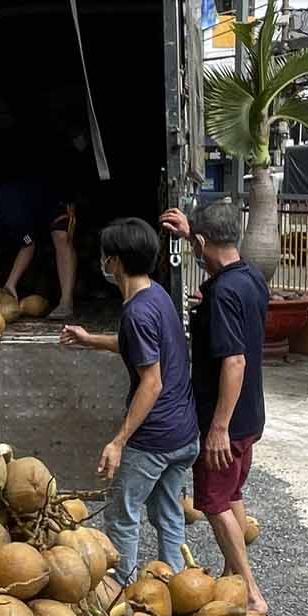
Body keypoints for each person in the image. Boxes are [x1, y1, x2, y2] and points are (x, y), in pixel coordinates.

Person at [60, 217, 197, 583]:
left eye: (106, 256)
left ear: (116, 262)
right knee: (168, 512)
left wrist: (119, 441)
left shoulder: (136, 312)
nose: (103, 262)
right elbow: (139, 346)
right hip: (183, 434)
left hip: (153, 439)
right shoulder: (157, 295)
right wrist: (90, 339)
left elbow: (151, 383)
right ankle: (177, 586)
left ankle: (121, 591)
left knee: (122, 516)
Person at [162, 200, 268, 613]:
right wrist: (192, 234)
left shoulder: (223, 293)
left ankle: (252, 593)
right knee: (232, 494)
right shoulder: (250, 277)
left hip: (227, 421)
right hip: (251, 415)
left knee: (214, 503)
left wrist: (218, 428)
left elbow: (234, 361)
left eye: (195, 244)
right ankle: (232, 580)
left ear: (203, 242)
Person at [0, 182, 79, 316]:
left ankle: (66, 302)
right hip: (26, 219)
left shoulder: (12, 210)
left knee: (61, 237)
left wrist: (11, 283)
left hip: (51, 203)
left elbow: (28, 246)